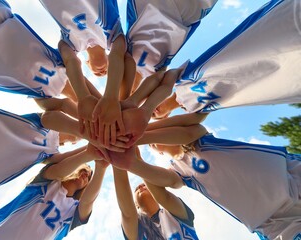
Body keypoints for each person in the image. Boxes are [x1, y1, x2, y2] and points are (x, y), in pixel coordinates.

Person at [118, 112, 301, 240]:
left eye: (155, 134)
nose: (153, 140)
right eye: (151, 143)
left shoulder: (200, 138)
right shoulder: (180, 173)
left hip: (291, 177)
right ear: (157, 152)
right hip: (276, 223)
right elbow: (161, 186)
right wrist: (133, 156)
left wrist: (138, 133)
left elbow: (188, 130)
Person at [0, 97, 96, 213]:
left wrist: (95, 145)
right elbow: (63, 106)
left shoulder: (50, 153)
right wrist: (89, 127)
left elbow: (66, 160)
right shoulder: (46, 122)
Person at [155, 0, 301, 116]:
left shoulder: (181, 80)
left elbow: (165, 78)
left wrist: (147, 108)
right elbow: (188, 131)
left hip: (279, 27)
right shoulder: (197, 110)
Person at [0, 144, 109, 239]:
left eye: (89, 177)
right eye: (84, 169)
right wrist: (89, 153)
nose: (86, 174)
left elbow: (88, 201)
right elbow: (59, 170)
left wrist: (101, 167)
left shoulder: (71, 213)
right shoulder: (46, 183)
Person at [38, 0, 131, 146]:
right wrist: (111, 96)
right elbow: (118, 55)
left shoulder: (68, 43)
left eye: (98, 73)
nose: (102, 71)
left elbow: (71, 63)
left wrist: (83, 97)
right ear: (108, 57)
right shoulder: (114, 34)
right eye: (107, 70)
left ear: (86, 63)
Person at [126, 0, 218, 93]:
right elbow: (166, 87)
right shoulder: (156, 75)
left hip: (161, 10)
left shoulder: (121, 54)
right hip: (182, 16)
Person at [111, 147, 199, 239]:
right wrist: (117, 155)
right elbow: (127, 213)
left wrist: (138, 159)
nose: (140, 187)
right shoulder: (138, 225)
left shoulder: (172, 214)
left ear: (154, 192)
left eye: (144, 185)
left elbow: (165, 197)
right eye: (137, 189)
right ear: (136, 204)